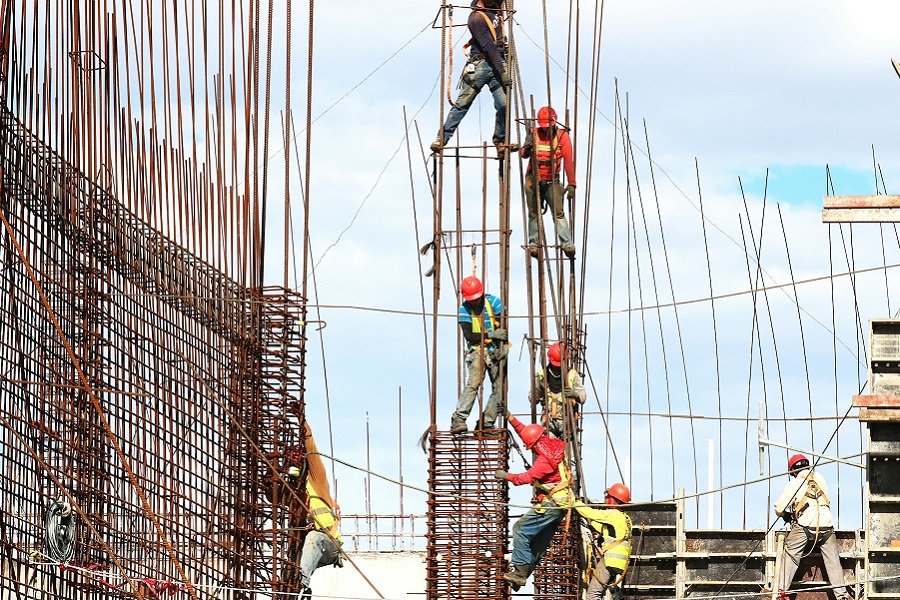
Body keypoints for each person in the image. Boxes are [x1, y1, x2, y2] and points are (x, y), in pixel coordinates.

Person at [495, 414, 572, 590]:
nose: (532, 450)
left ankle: (520, 572)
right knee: (538, 544)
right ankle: (521, 576)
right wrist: (509, 417)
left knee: (520, 530)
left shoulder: (545, 460)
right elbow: (527, 432)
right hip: (561, 504)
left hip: (551, 504)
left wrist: (506, 476)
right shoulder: (553, 445)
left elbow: (527, 477)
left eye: (531, 447)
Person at [431, 0, 512, 153]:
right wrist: (503, 72)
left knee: (503, 104)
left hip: (498, 62)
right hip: (482, 64)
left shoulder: (494, 5)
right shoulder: (476, 19)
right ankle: (442, 138)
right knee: (463, 103)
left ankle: (500, 140)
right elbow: (489, 47)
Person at [772, 454, 851, 600]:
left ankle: (781, 592)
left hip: (805, 526)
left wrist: (787, 515)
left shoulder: (795, 483)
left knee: (791, 553)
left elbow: (778, 507)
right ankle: (842, 595)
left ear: (793, 472)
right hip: (827, 526)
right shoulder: (820, 478)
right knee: (833, 561)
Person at [452, 275, 507, 433]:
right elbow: (469, 335)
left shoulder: (494, 302)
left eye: (476, 298)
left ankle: (487, 422)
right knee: (473, 384)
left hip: (495, 351)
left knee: (499, 388)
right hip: (477, 351)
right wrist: (491, 335)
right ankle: (458, 419)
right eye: (471, 299)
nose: (474, 302)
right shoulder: (464, 309)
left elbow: (503, 324)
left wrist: (499, 340)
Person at [520, 106, 576, 258]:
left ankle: (567, 244)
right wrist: (527, 147)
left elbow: (568, 161)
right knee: (533, 213)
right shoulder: (534, 134)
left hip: (552, 182)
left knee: (558, 213)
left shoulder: (562, 136)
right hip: (533, 180)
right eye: (544, 127)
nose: (546, 130)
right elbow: (523, 155)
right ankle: (533, 244)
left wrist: (572, 183)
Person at [573, 484, 633, 600]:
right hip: (621, 563)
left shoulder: (612, 514)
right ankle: (617, 594)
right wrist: (589, 524)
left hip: (610, 560)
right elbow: (607, 529)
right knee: (609, 583)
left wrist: (575, 503)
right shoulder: (625, 518)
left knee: (592, 595)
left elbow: (591, 513)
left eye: (608, 496)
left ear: (612, 499)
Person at [296, 478, 344, 595]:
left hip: (330, 545)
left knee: (314, 537)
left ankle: (302, 582)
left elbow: (313, 461)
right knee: (292, 564)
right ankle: (296, 591)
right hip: (310, 552)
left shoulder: (316, 484)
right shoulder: (296, 500)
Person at [529, 342, 586, 439]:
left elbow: (583, 397)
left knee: (569, 453)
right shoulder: (541, 375)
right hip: (549, 423)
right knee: (550, 451)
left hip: (567, 423)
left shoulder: (572, 374)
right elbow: (532, 399)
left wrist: (574, 394)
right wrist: (539, 391)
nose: (557, 367)